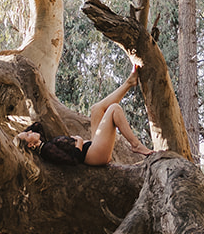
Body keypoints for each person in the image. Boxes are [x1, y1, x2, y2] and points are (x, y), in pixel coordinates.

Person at [18, 68, 153, 165]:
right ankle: (136, 145)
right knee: (114, 109)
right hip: (94, 155)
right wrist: (79, 143)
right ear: (30, 145)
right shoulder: (47, 150)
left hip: (93, 146)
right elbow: (73, 161)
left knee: (96, 109)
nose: (30, 131)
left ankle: (129, 82)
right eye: (28, 135)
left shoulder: (44, 143)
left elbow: (37, 126)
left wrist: (21, 136)